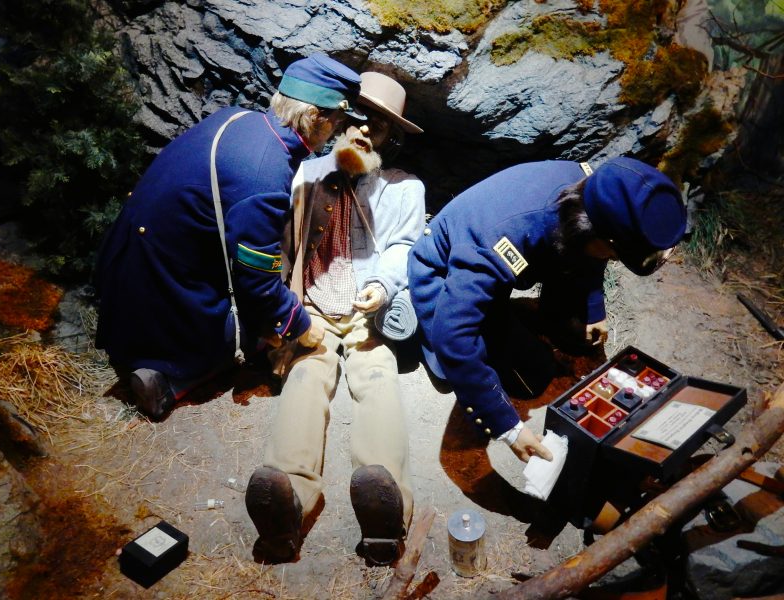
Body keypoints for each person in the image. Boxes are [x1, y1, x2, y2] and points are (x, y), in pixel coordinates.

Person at [94, 54, 366, 419]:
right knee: (253, 337)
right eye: (338, 121)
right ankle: (165, 380)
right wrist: (299, 324)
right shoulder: (265, 174)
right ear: (317, 118)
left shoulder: (240, 118)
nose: (337, 131)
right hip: (162, 285)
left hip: (129, 258)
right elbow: (257, 282)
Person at [244, 72, 425, 565]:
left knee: (377, 379)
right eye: (361, 121)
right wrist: (282, 319)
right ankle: (290, 500)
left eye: (381, 129)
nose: (367, 133)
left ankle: (386, 504)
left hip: (368, 314)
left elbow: (404, 246)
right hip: (313, 312)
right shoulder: (302, 175)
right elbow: (280, 248)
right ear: (341, 121)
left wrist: (381, 286)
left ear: (392, 139)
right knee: (307, 378)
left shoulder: (403, 189)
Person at [407, 158, 687, 462]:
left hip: (531, 247)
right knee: (526, 377)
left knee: (576, 337)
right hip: (443, 271)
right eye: (616, 254)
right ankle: (422, 325)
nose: (613, 257)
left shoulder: (598, 192)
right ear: (597, 236)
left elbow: (598, 251)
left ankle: (518, 320)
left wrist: (594, 308)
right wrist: (508, 428)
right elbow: (454, 335)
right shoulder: (507, 235)